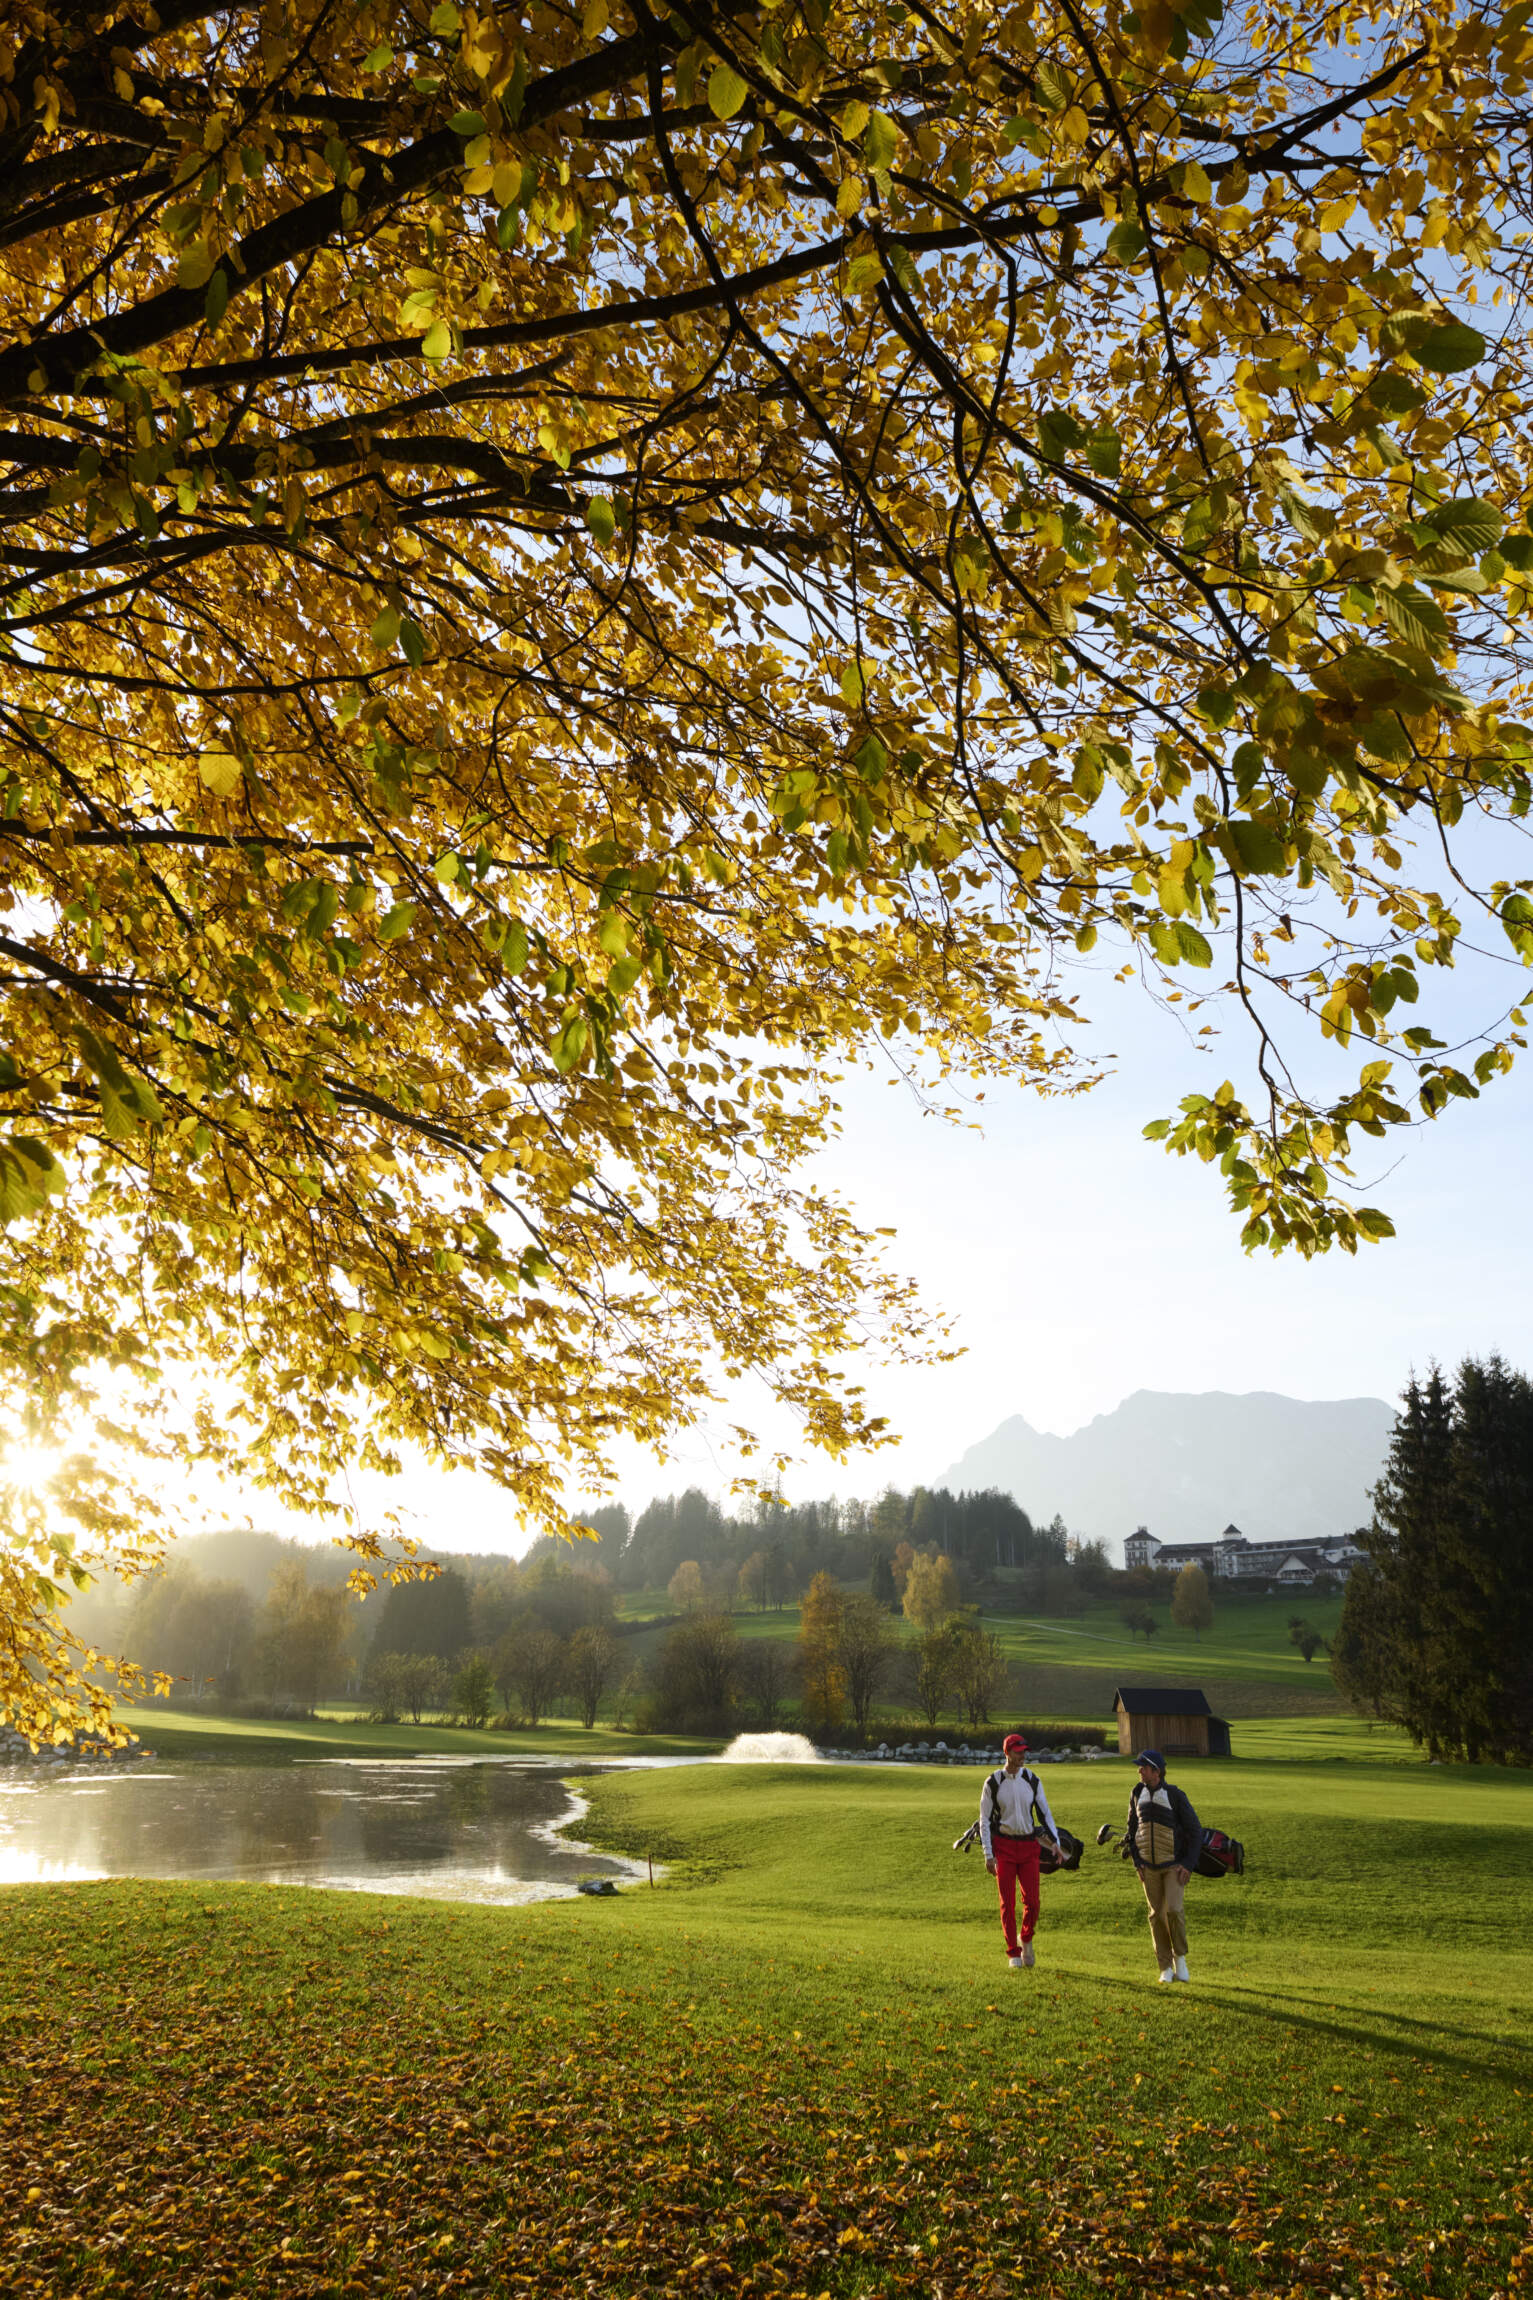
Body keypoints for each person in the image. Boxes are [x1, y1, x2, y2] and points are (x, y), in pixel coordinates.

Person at [978, 1732, 1060, 1971]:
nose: (1022, 1755)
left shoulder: (1032, 1780)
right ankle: (1013, 1952)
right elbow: (984, 1820)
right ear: (1007, 1753)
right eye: (1018, 1751)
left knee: (1033, 1902)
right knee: (1007, 1902)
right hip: (1003, 1847)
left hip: (1028, 1847)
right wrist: (988, 1854)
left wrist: (1055, 1841)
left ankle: (1025, 1937)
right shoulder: (993, 1783)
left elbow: (1045, 1813)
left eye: (1024, 1751)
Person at [1125, 1748, 1200, 1984]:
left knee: (1174, 1911)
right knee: (1156, 1915)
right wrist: (1138, 1862)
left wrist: (1187, 1864)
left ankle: (1181, 1960)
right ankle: (1165, 1967)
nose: (1139, 1771)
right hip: (1148, 1867)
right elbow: (1131, 1830)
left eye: (1143, 1767)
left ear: (1156, 1771)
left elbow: (1195, 1831)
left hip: (1173, 1866)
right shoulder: (1136, 1793)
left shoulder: (1175, 1795)